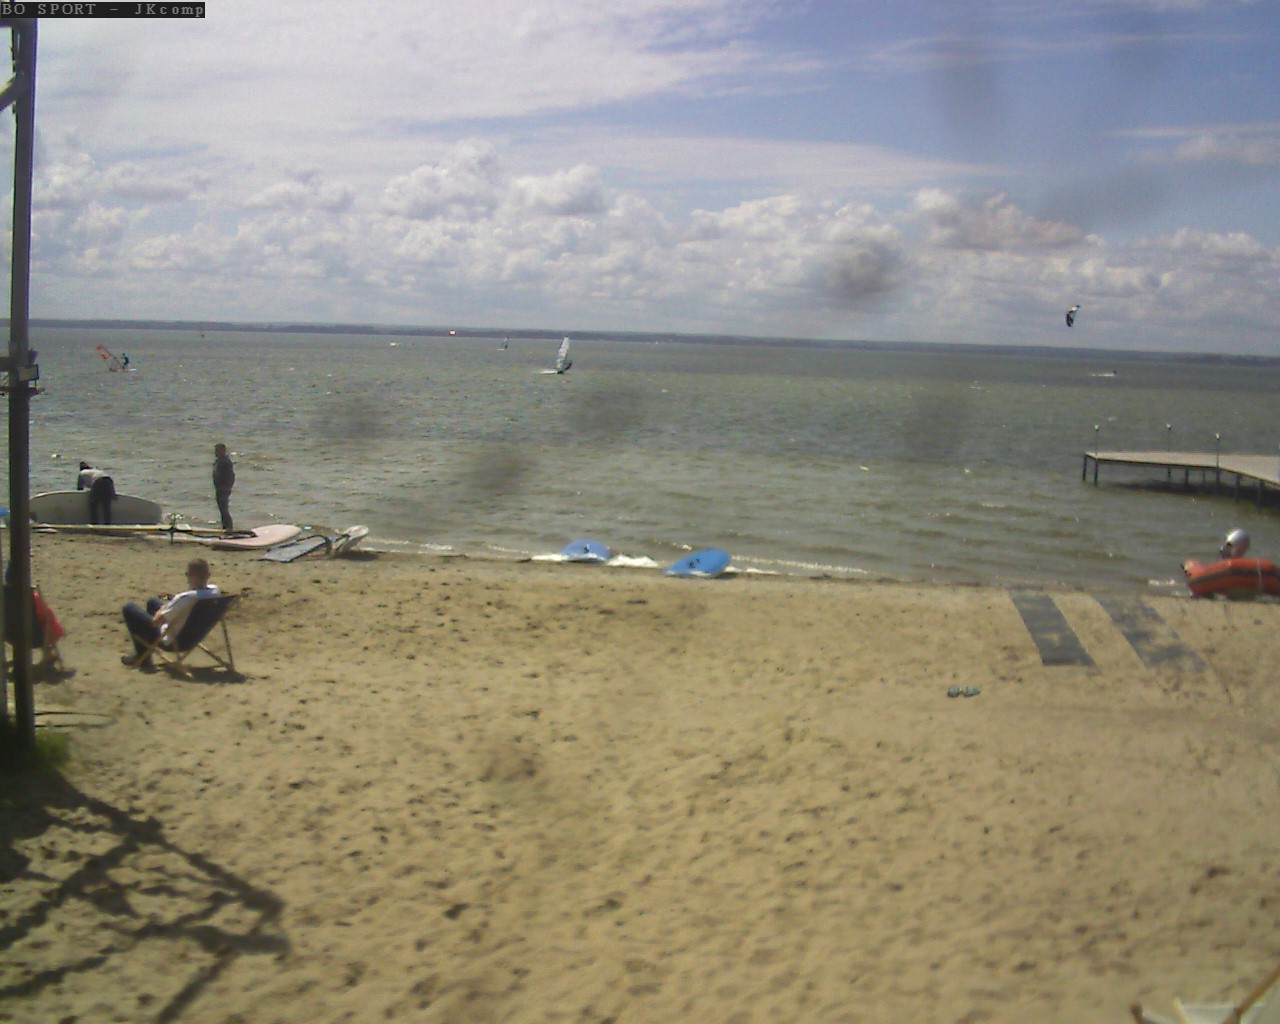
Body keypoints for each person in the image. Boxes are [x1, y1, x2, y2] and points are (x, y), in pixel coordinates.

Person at [121, 558, 220, 671]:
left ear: (190, 575)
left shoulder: (185, 598)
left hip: (173, 641)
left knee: (129, 609)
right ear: (208, 575)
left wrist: (163, 608)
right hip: (195, 637)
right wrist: (173, 600)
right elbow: (192, 599)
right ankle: (144, 656)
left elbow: (155, 622)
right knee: (152, 602)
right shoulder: (215, 591)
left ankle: (143, 658)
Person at [77, 460, 117, 525]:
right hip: (108, 481)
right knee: (106, 506)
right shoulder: (96, 471)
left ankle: (95, 525)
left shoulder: (81, 473)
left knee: (93, 505)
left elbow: (80, 488)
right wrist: (113, 493)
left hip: (98, 481)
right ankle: (107, 525)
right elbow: (108, 480)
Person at [213, 443, 236, 533]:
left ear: (223, 451)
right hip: (219, 488)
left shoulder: (225, 462)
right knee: (222, 510)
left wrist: (228, 487)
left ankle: (228, 529)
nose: (215, 452)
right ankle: (225, 528)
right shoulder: (219, 461)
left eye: (217, 450)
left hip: (223, 489)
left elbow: (231, 476)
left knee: (224, 510)